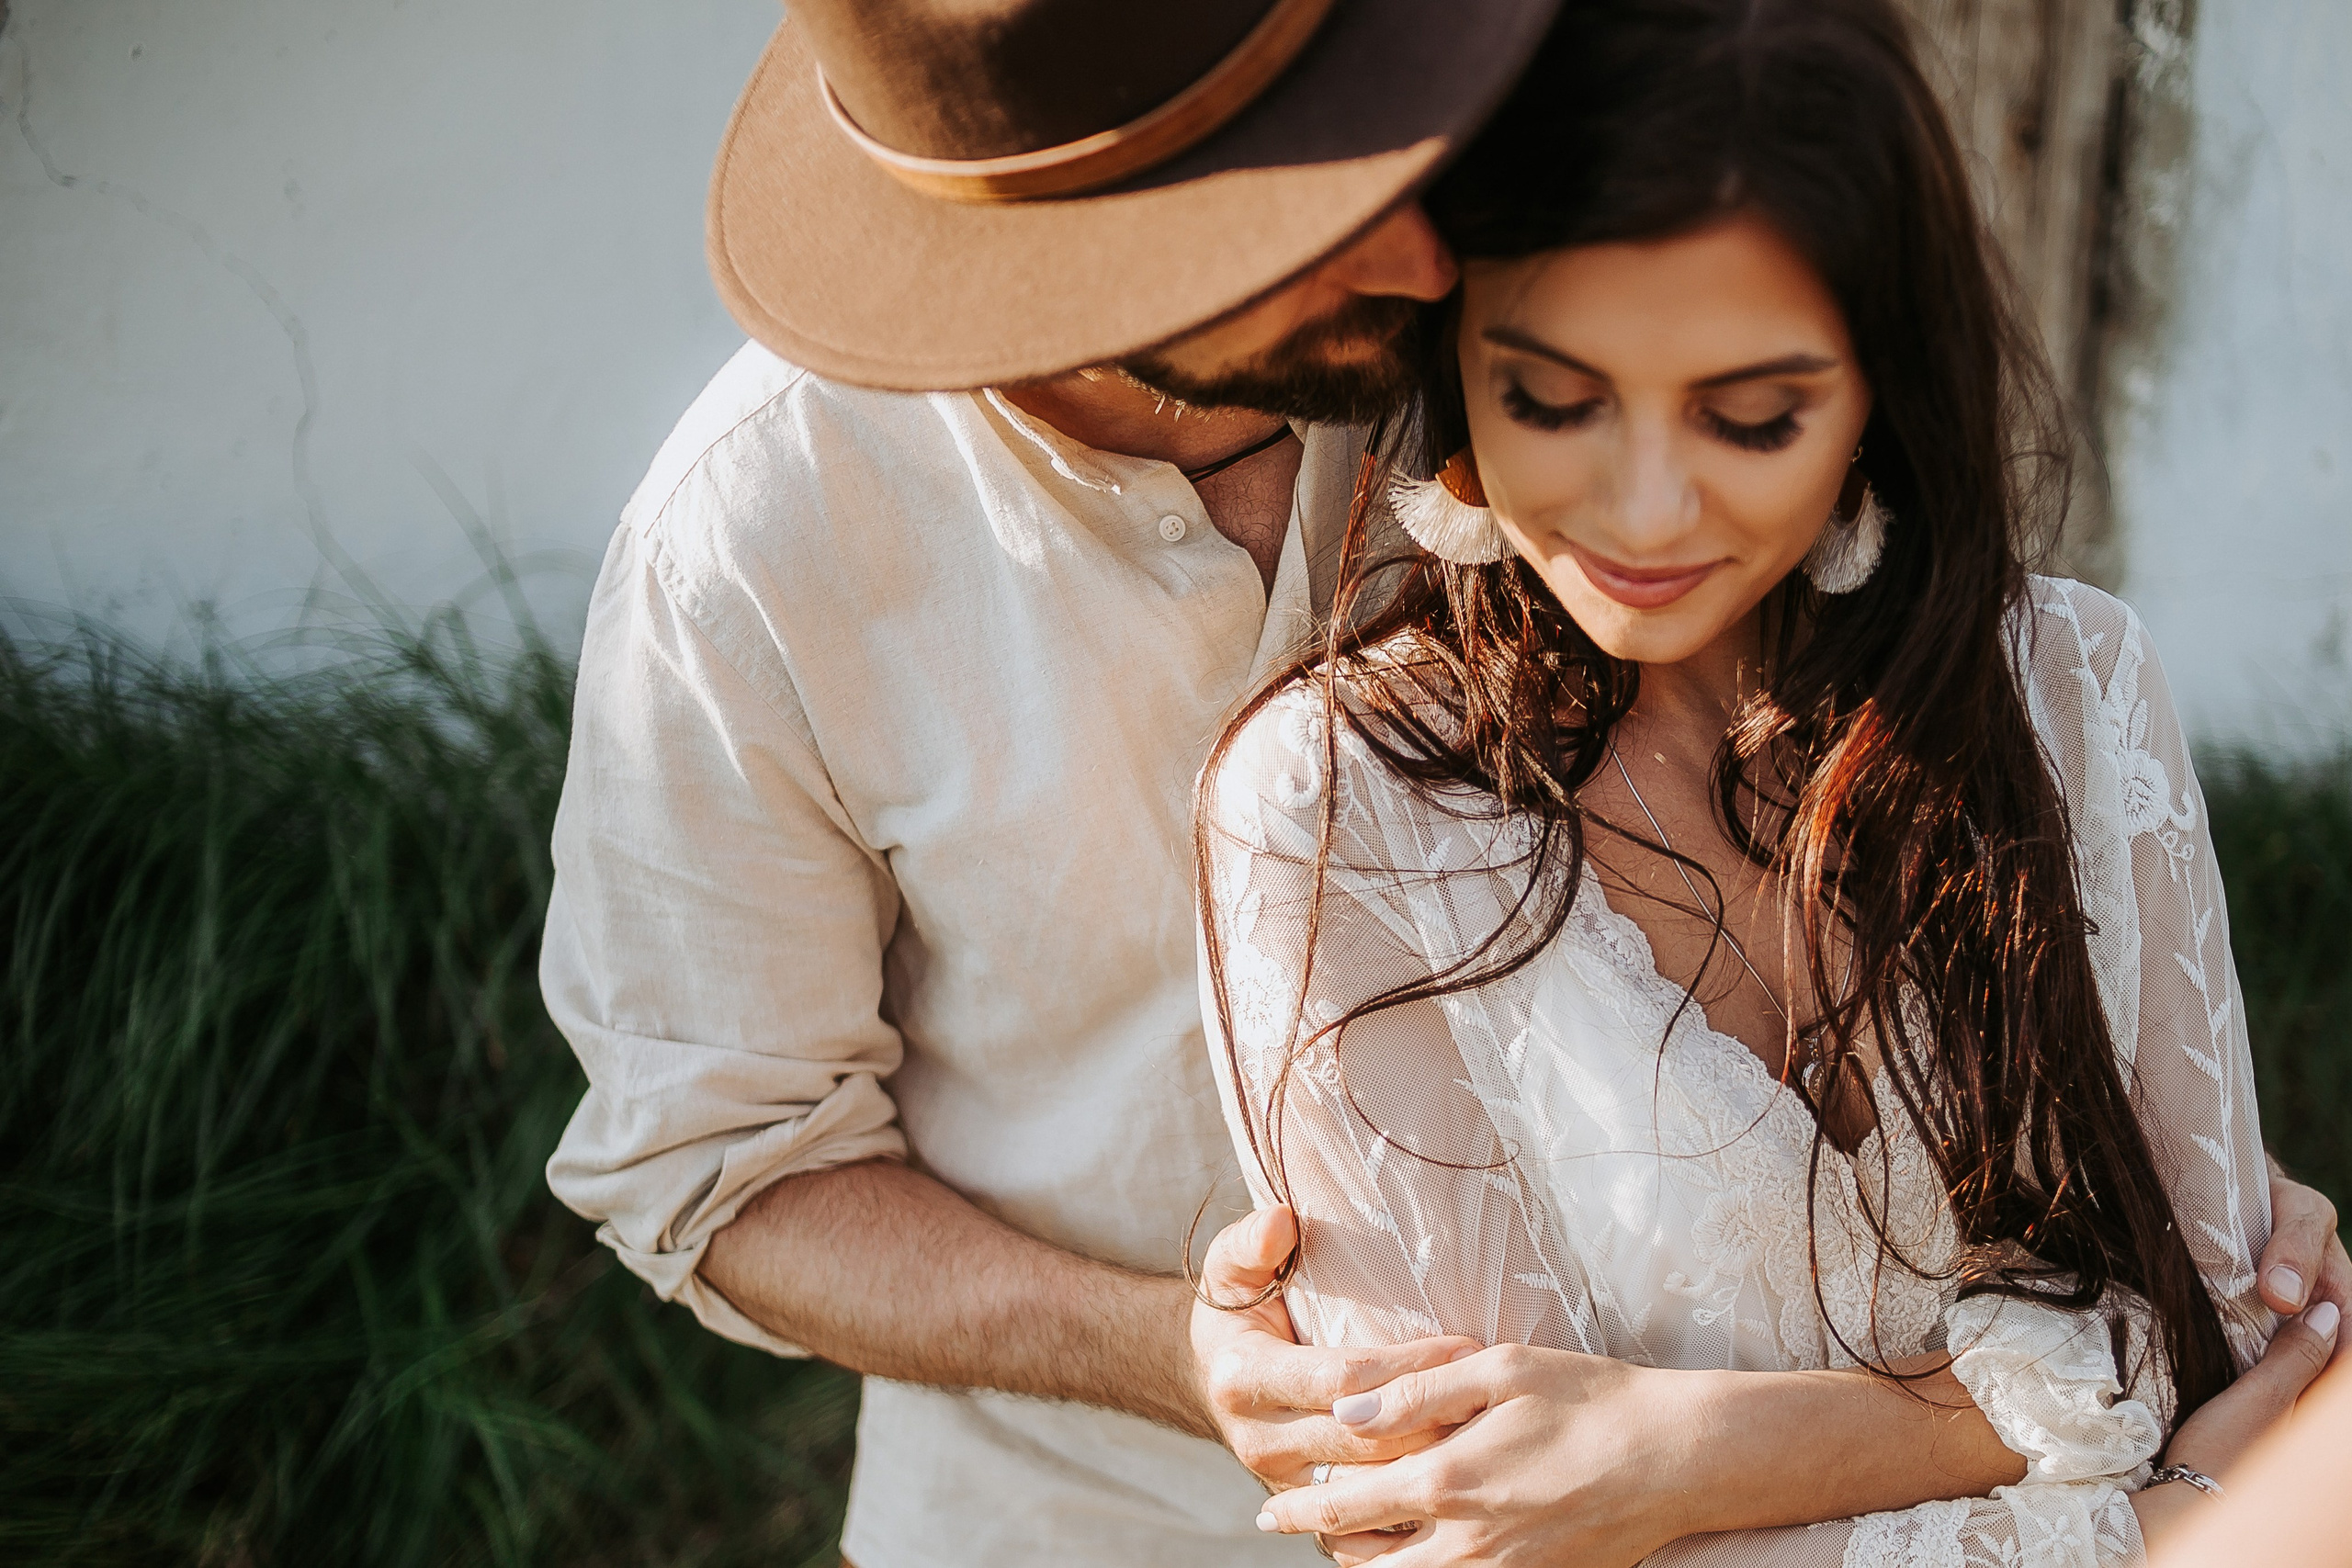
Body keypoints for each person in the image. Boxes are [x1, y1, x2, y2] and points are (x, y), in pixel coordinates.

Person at [541, 1, 2349, 1565]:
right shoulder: (750, 552)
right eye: (1297, 214)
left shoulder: (1480, 270)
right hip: (1095, 1521)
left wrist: (2110, 1139)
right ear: (1091, 255)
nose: (1411, 256)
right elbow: (720, 1161)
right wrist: (1182, 1347)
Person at [1199, 2, 2348, 1564]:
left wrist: (1687, 1458)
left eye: (1751, 417)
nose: (1647, 508)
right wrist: (2132, 1503)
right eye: (1550, 398)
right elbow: (1468, 1526)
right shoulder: (1334, 814)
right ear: (1454, 360)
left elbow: (2238, 1347)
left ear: (1881, 380)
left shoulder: (2075, 692)